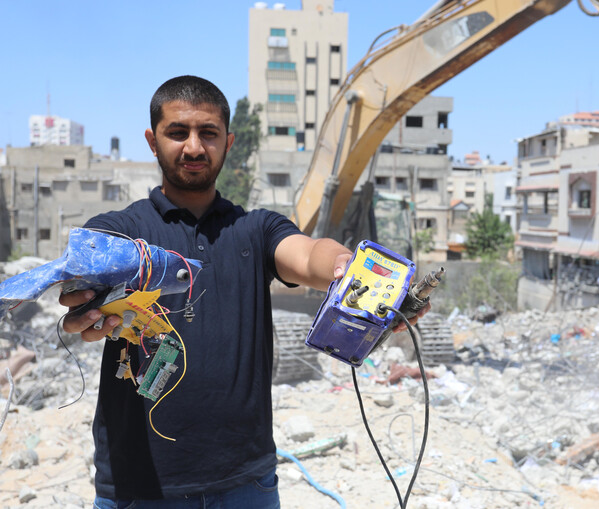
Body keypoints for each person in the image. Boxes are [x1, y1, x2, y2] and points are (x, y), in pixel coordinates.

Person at [59, 75, 427, 508]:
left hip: (245, 486)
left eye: (208, 134)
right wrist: (85, 303)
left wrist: (349, 271)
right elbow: (85, 269)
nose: (194, 147)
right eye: (177, 132)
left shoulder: (256, 230)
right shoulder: (124, 231)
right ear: (152, 140)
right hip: (140, 488)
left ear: (228, 142)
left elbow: (311, 256)